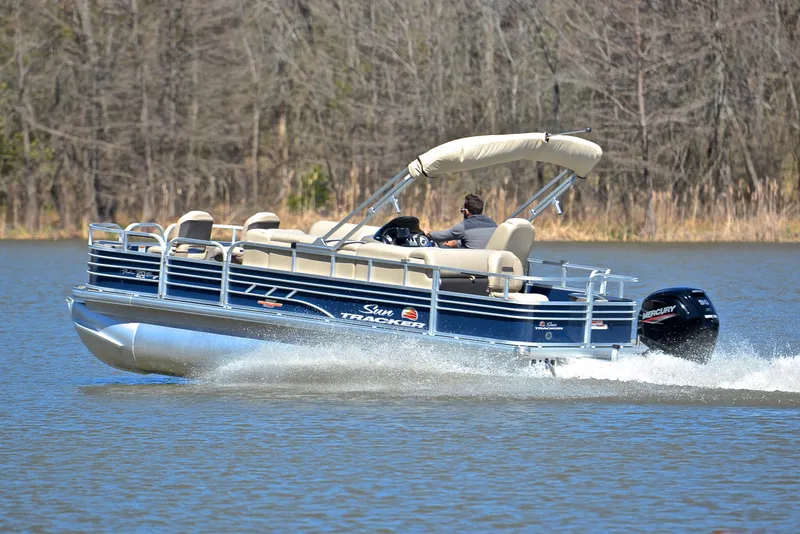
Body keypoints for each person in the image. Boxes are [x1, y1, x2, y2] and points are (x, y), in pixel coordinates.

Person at [426, 194, 497, 249]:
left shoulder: (464, 226)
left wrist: (428, 234)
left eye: (462, 211)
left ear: (467, 212)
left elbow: (441, 236)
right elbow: (478, 240)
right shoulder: (493, 223)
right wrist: (458, 244)